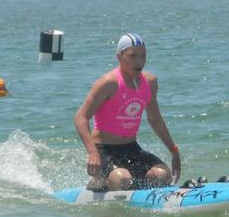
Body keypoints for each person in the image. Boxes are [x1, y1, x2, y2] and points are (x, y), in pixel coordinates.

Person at [74, 33, 181, 191]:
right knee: (122, 180)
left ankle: (129, 185)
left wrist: (173, 150)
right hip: (105, 150)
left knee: (162, 176)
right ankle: (99, 181)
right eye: (132, 56)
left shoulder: (150, 82)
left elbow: (154, 118)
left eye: (143, 56)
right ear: (119, 56)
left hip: (131, 148)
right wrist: (92, 153)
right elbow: (80, 118)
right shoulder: (109, 83)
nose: (139, 62)